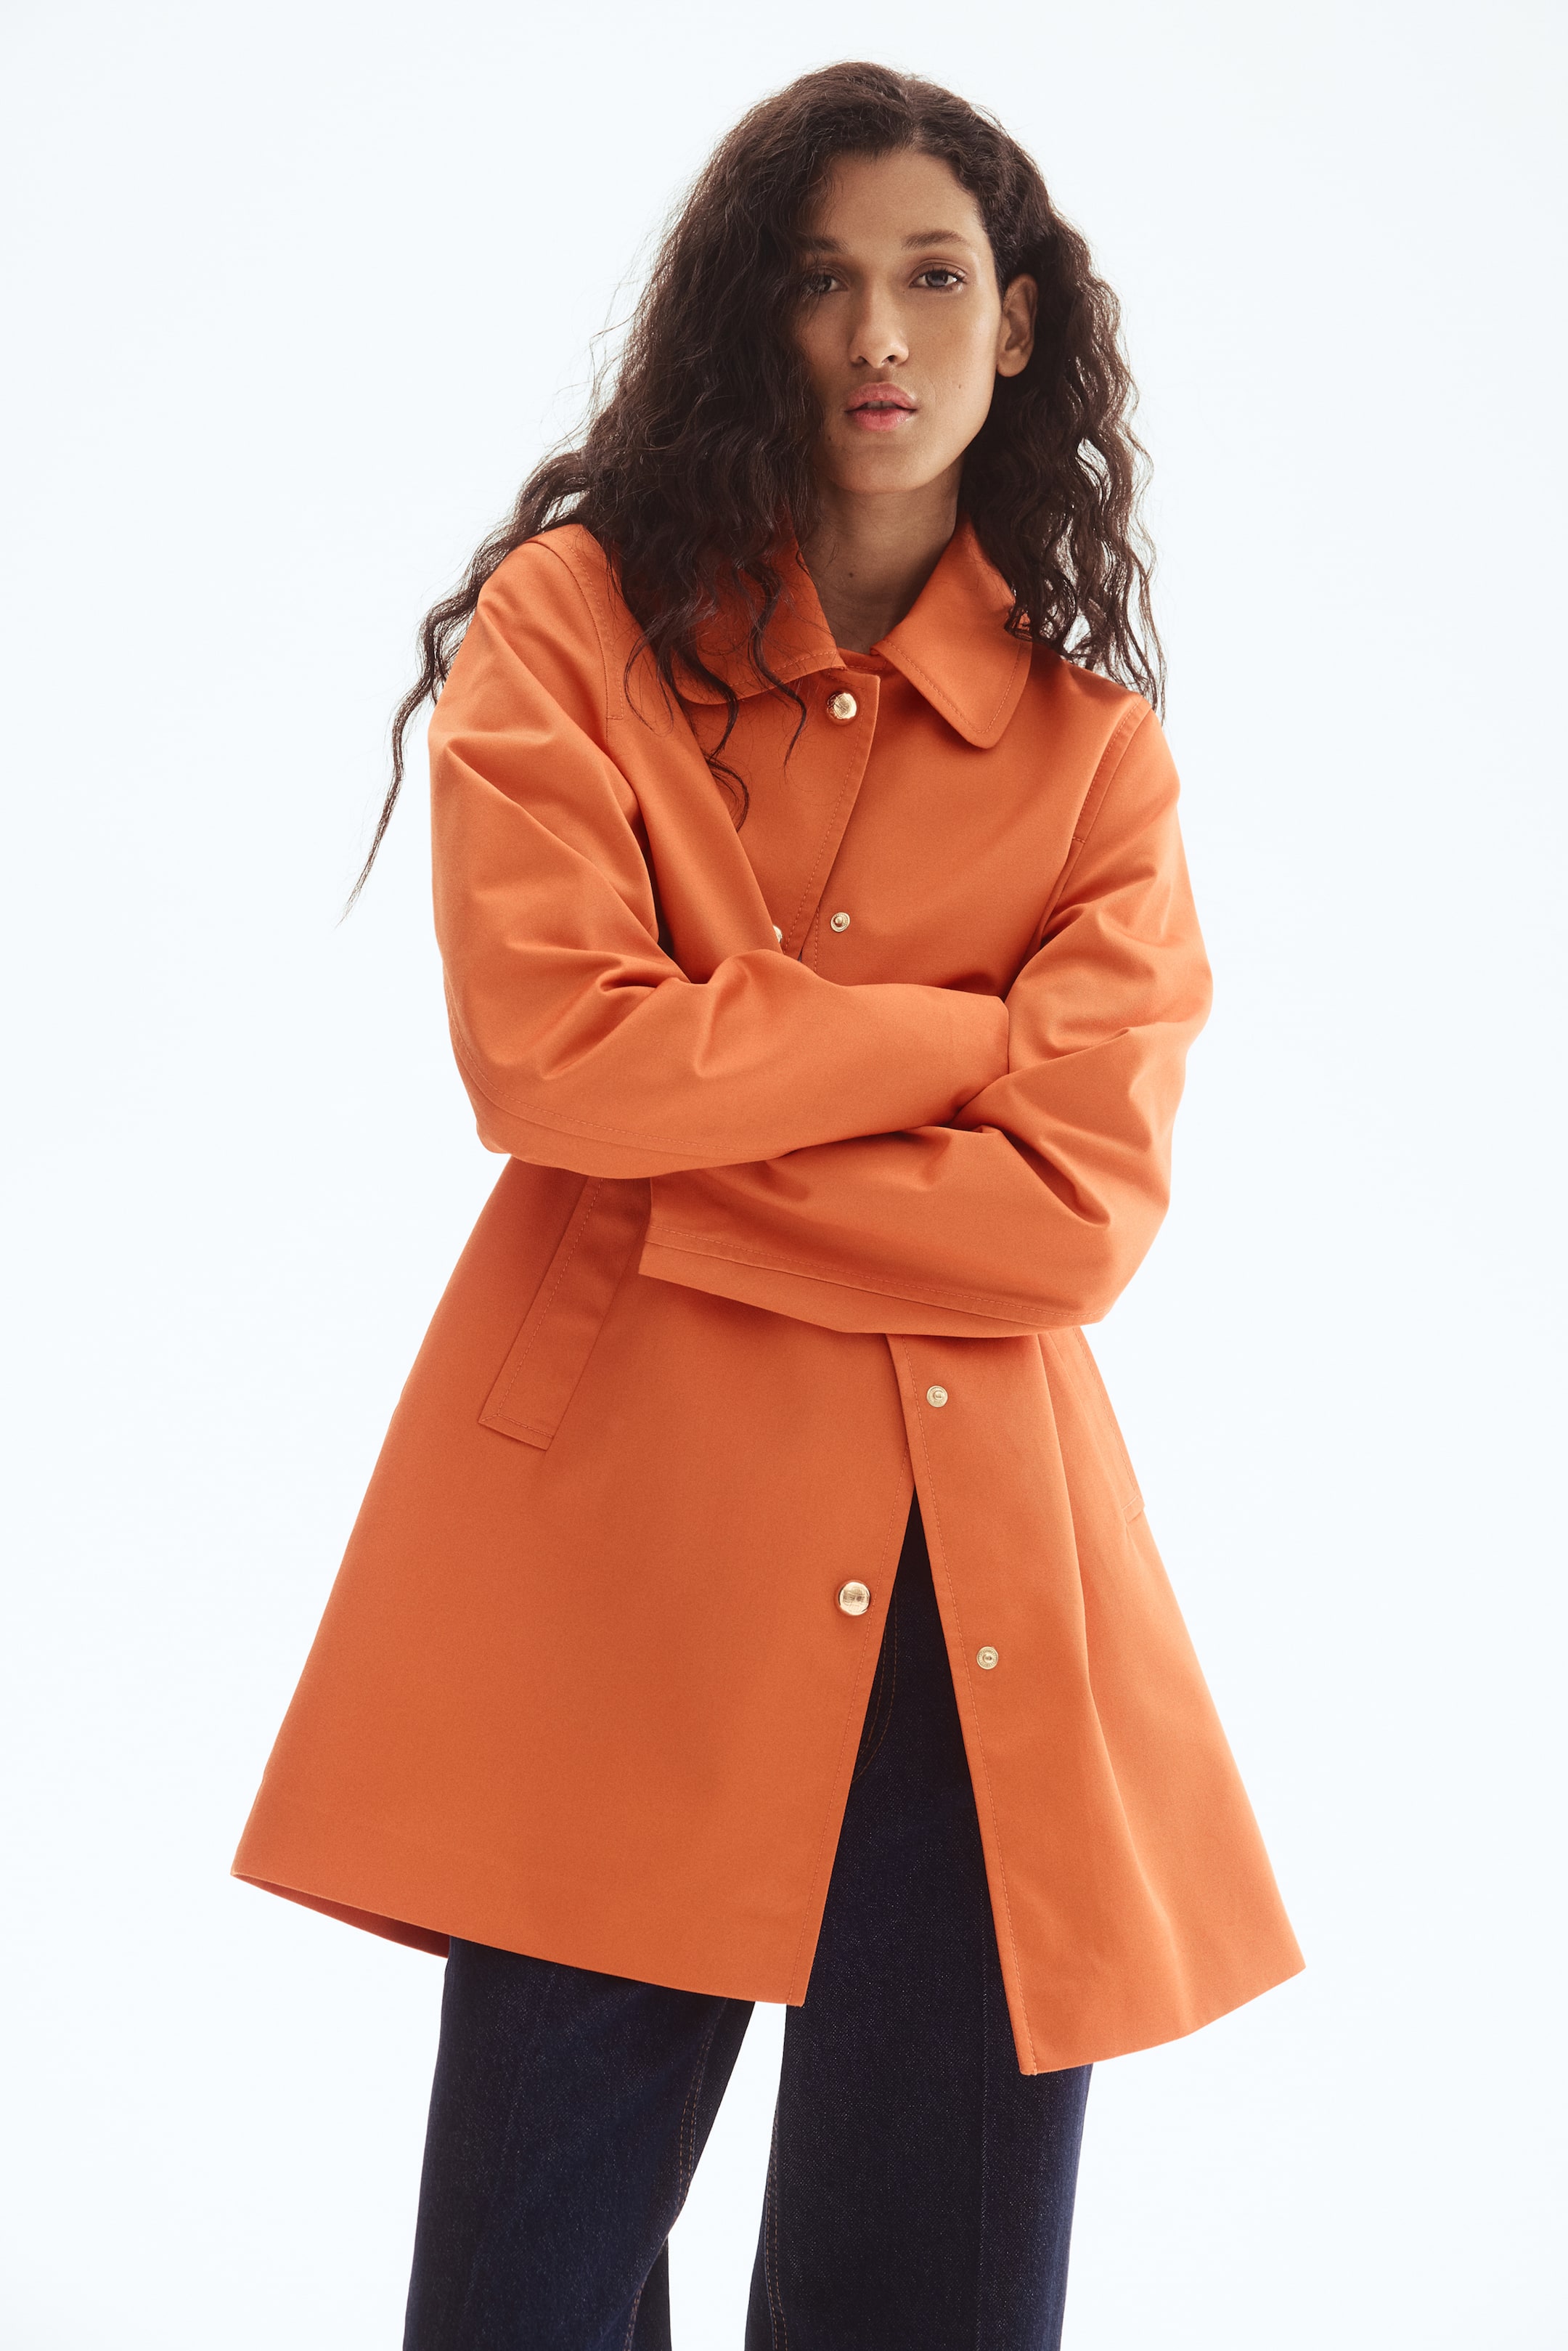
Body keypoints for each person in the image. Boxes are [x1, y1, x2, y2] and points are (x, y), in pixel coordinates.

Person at [234, 61, 1302, 2350]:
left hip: (974, 1610)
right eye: (821, 281)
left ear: (1022, 322)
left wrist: (694, 1184)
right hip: (620, 1576)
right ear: (753, 316)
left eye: (934, 276)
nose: (879, 334)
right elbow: (552, 1056)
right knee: (516, 2303)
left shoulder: (1097, 761)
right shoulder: (574, 631)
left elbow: (1075, 1220)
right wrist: (949, 1041)